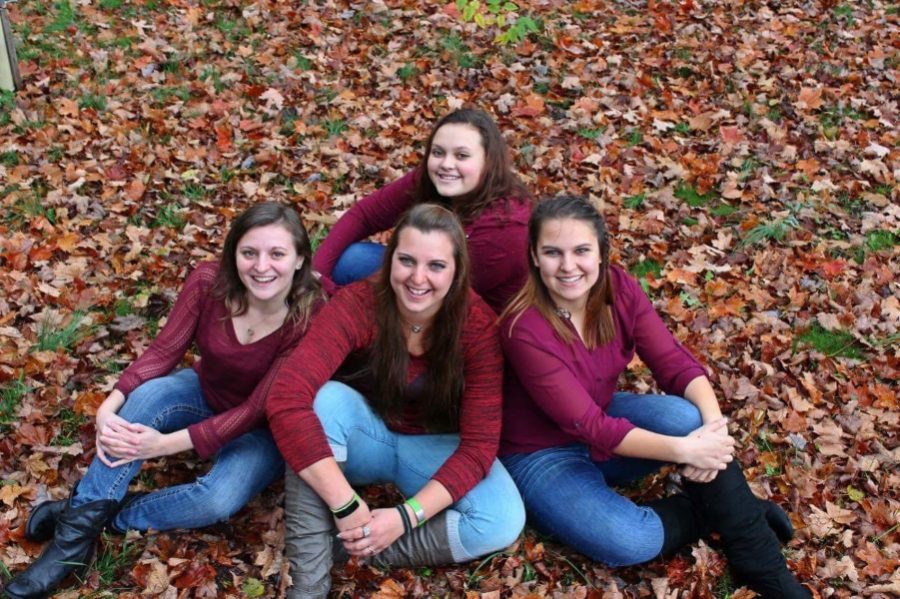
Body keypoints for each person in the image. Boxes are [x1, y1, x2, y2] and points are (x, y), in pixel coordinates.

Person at [5, 203, 325, 599]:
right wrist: (109, 407)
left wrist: (162, 445)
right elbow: (162, 353)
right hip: (204, 392)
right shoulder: (210, 282)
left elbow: (253, 410)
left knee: (216, 500)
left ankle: (95, 518)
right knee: (148, 396)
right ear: (233, 254)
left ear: (299, 261)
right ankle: (71, 545)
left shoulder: (309, 316)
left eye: (277, 254)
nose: (262, 266)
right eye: (249, 252)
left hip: (262, 430)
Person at [497, 195, 810, 598]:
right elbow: (590, 426)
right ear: (535, 258)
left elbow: (674, 364)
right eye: (553, 253)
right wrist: (685, 451)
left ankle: (759, 558)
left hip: (603, 420)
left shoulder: (619, 290)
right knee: (630, 541)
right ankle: (711, 512)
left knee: (689, 417)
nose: (568, 265)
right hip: (539, 454)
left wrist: (713, 434)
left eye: (581, 251)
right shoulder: (523, 326)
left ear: (602, 252)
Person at [267, 204, 526, 599]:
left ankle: (345, 548)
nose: (418, 278)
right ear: (390, 260)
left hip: (432, 447)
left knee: (502, 520)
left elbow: (479, 448)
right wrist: (345, 504)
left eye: (436, 266)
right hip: (363, 436)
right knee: (322, 403)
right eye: (406, 260)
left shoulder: (476, 326)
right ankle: (308, 585)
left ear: (457, 272)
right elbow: (286, 398)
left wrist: (406, 518)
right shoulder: (360, 303)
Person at [313, 107, 531, 313]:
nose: (446, 163)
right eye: (438, 152)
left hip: (467, 325)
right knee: (353, 259)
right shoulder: (433, 178)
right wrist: (314, 276)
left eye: (461, 156)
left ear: (489, 162)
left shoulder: (506, 229)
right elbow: (365, 215)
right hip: (425, 292)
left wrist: (331, 299)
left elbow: (423, 296)